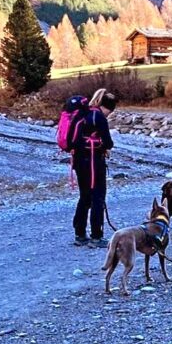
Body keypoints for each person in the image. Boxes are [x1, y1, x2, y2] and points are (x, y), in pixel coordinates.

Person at [69, 87, 116, 247]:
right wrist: (105, 147)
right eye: (110, 111)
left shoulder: (83, 113)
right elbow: (109, 142)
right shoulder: (99, 117)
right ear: (105, 106)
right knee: (98, 197)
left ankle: (79, 234)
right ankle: (96, 236)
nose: (109, 114)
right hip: (94, 163)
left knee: (84, 196)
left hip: (78, 161)